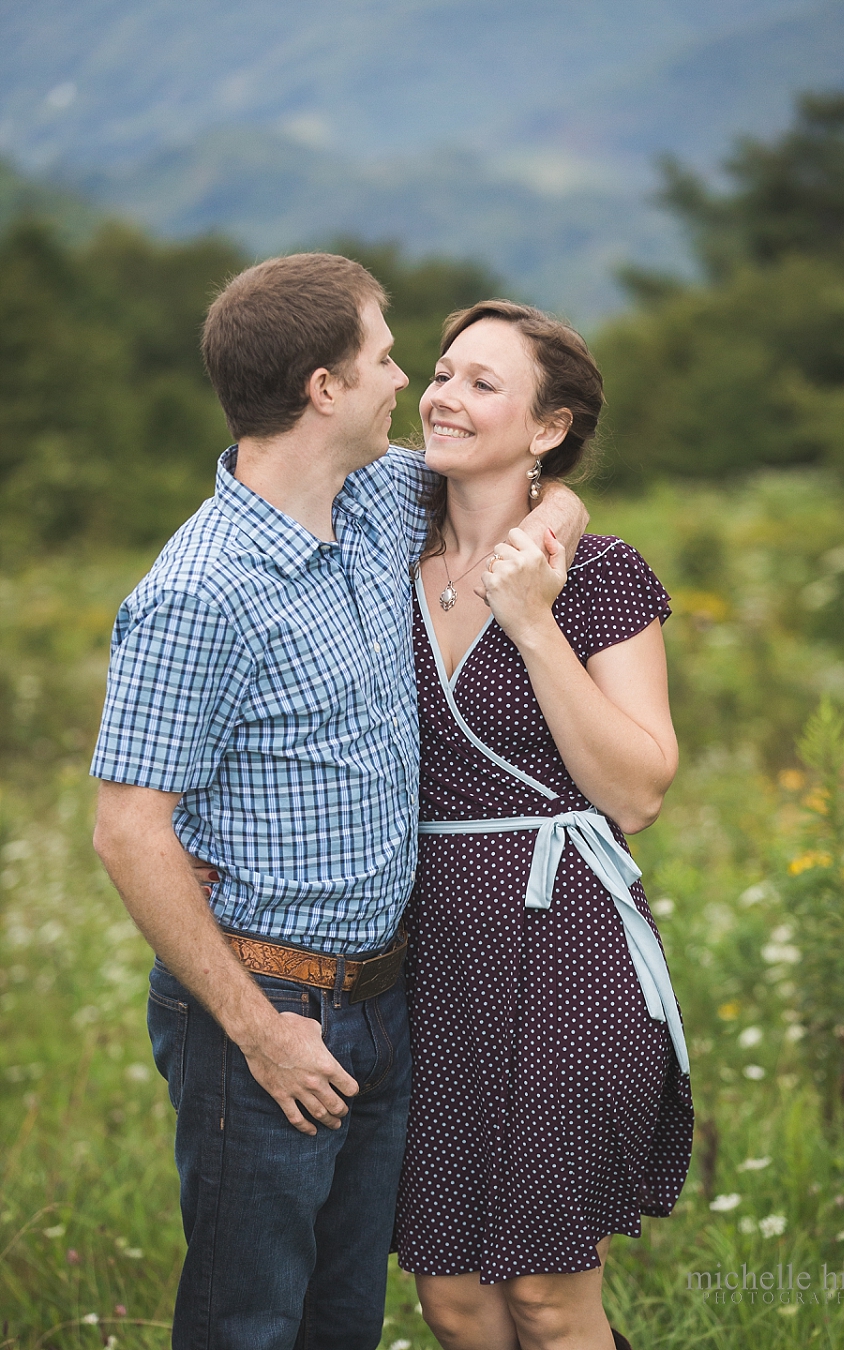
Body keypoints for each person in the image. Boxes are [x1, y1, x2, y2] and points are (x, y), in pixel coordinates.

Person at [90, 254, 586, 1350]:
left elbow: (526, 474)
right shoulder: (199, 591)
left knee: (341, 1319)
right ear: (324, 387)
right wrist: (259, 1032)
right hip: (262, 1006)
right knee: (249, 1322)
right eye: (385, 356)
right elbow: (127, 826)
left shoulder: (373, 499)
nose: (407, 380)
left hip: (382, 996)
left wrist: (558, 517)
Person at [392, 300, 694, 1350]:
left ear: (549, 426)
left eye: (483, 383)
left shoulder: (600, 577)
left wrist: (529, 619)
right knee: (455, 1300)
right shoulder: (379, 556)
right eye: (439, 373)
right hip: (427, 961)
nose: (443, 398)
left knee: (546, 1298)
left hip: (567, 941)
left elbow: (639, 791)